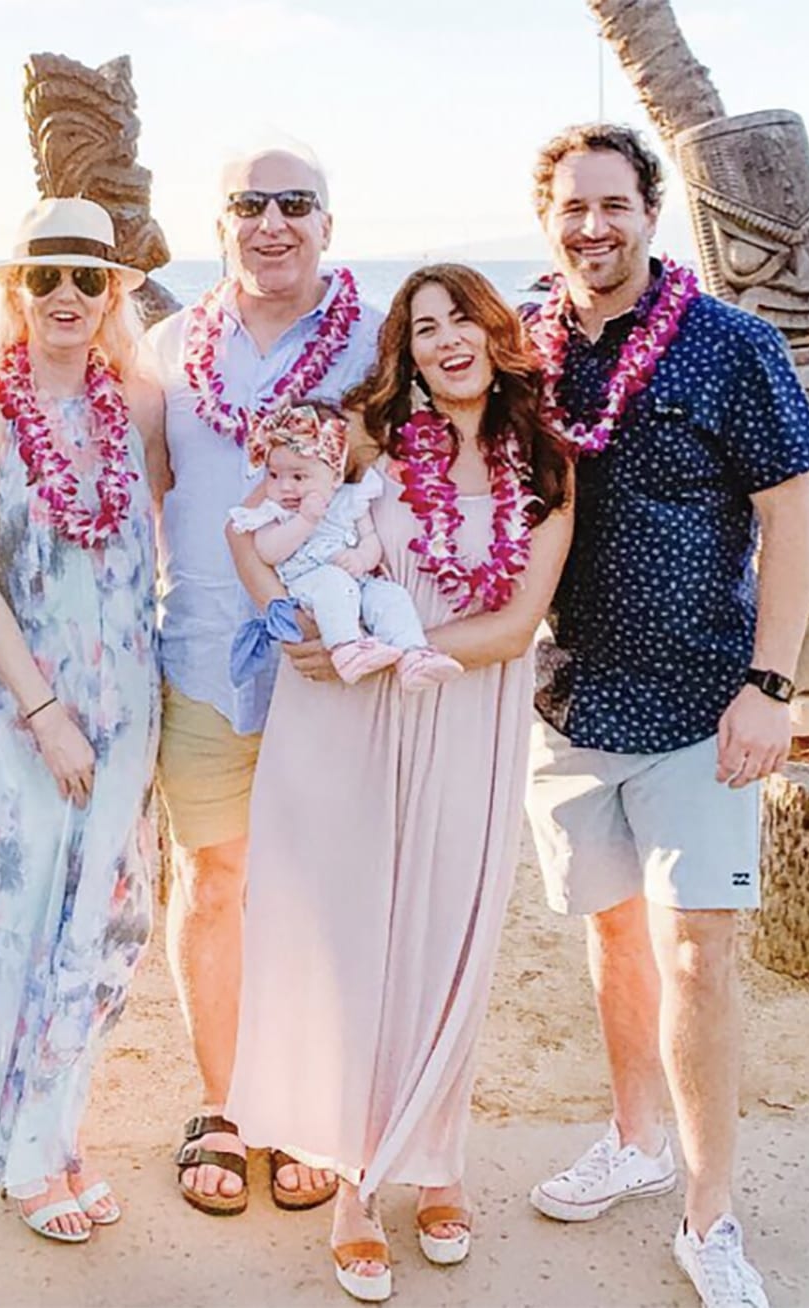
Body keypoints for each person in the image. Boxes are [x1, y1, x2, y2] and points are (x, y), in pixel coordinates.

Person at [521, 124, 809, 1308]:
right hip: (567, 698)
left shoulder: (730, 346)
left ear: (650, 209)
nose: (590, 226)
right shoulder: (522, 346)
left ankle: (710, 1216)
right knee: (609, 940)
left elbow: (791, 520)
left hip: (706, 703)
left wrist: (770, 684)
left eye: (612, 203)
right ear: (545, 217)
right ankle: (633, 1139)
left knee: (697, 953)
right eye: (570, 207)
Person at [225, 263, 573, 1302]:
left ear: (495, 333)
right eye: (423, 328)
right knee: (354, 941)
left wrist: (412, 641)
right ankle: (352, 1189)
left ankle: (438, 1162)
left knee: (444, 935)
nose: (445, 339)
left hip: (465, 713)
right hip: (352, 712)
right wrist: (289, 624)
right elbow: (250, 529)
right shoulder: (367, 437)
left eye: (461, 317)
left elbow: (515, 627)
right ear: (406, 351)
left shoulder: (545, 465)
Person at [0, 198, 161, 1243]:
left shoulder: (140, 405)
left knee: (98, 923)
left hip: (126, 698)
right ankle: (5, 1153)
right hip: (14, 706)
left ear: (109, 296)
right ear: (13, 291)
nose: (63, 295)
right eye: (42, 276)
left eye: (85, 278)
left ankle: (53, 1132)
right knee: (5, 923)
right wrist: (44, 711)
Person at [143, 145, 380, 1216]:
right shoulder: (164, 347)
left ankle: (306, 1105)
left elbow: (414, 496)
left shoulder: (376, 347)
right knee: (217, 884)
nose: (270, 222)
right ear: (219, 222)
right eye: (248, 203)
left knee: (318, 893)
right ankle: (227, 1104)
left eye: (295, 204)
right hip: (199, 660)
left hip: (328, 669)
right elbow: (138, 490)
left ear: (328, 223)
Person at [228, 401, 462, 689]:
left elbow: (370, 538)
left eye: (299, 476)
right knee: (333, 584)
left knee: (390, 595)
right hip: (308, 582)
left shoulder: (350, 500)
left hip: (357, 579)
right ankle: (346, 647)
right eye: (274, 475)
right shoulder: (274, 510)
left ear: (335, 475)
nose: (285, 487)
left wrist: (362, 558)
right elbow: (268, 550)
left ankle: (413, 654)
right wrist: (304, 521)